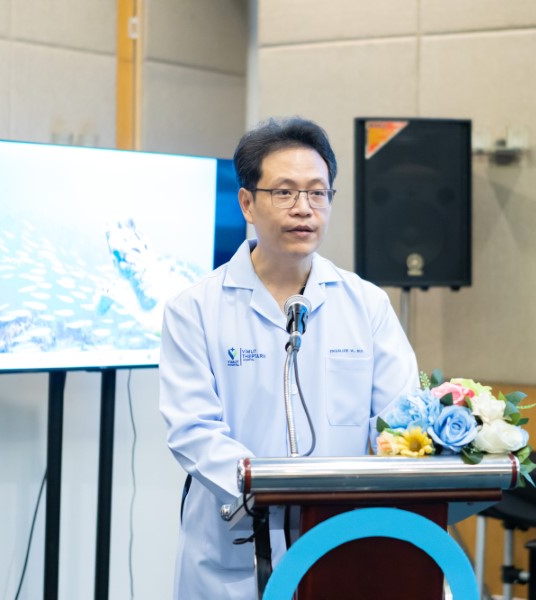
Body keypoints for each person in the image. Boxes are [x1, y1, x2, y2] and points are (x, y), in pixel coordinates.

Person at [159, 116, 419, 599]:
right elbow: (192, 431)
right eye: (285, 192)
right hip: (235, 546)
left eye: (318, 193)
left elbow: (400, 424)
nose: (304, 208)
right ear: (247, 203)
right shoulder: (195, 308)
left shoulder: (366, 304)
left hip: (341, 540)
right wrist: (270, 488)